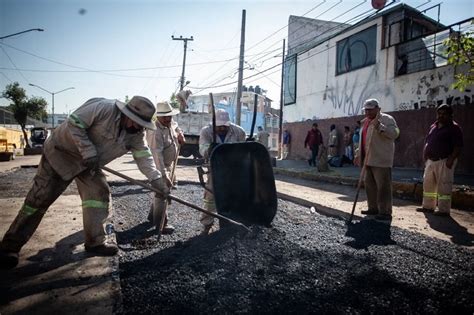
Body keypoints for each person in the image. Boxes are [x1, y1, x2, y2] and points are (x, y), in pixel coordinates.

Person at [0, 96, 170, 269]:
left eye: (142, 124)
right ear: (127, 114)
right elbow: (74, 123)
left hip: (89, 165)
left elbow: (144, 157)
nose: (137, 127)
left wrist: (157, 181)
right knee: (38, 199)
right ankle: (9, 247)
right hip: (61, 153)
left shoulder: (136, 134)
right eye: (135, 122)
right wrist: (88, 151)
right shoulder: (103, 109)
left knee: (99, 195)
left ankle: (95, 242)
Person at [199, 109, 246, 235]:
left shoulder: (238, 131)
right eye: (219, 126)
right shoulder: (206, 131)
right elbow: (202, 148)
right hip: (215, 170)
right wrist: (209, 149)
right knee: (210, 199)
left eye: (224, 126)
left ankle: (230, 223)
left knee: (232, 197)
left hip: (233, 170)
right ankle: (207, 225)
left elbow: (243, 150)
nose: (222, 129)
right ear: (214, 124)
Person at [354, 98, 400, 221]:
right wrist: (358, 153)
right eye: (366, 110)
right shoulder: (365, 122)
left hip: (381, 160)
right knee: (370, 186)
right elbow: (364, 140)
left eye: (370, 109)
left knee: (383, 187)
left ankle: (385, 212)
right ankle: (373, 208)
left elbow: (395, 134)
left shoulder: (387, 119)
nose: (367, 112)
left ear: (378, 109)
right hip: (367, 160)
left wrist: (380, 126)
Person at [416, 104, 463, 217]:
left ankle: (443, 210)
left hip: (445, 160)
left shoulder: (454, 128)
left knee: (444, 186)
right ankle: (428, 207)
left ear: (450, 115)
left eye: (444, 114)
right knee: (428, 185)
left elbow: (458, 146)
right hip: (431, 161)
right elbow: (428, 141)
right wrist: (425, 155)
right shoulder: (434, 126)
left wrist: (451, 159)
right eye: (439, 113)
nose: (441, 116)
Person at [146, 101, 185, 234]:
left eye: (170, 116)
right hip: (159, 167)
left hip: (170, 164)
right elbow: (157, 157)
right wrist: (164, 175)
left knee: (160, 193)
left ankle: (152, 217)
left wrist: (180, 134)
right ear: (158, 117)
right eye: (165, 117)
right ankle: (161, 224)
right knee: (162, 193)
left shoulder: (170, 123)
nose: (168, 119)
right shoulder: (155, 131)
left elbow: (177, 127)